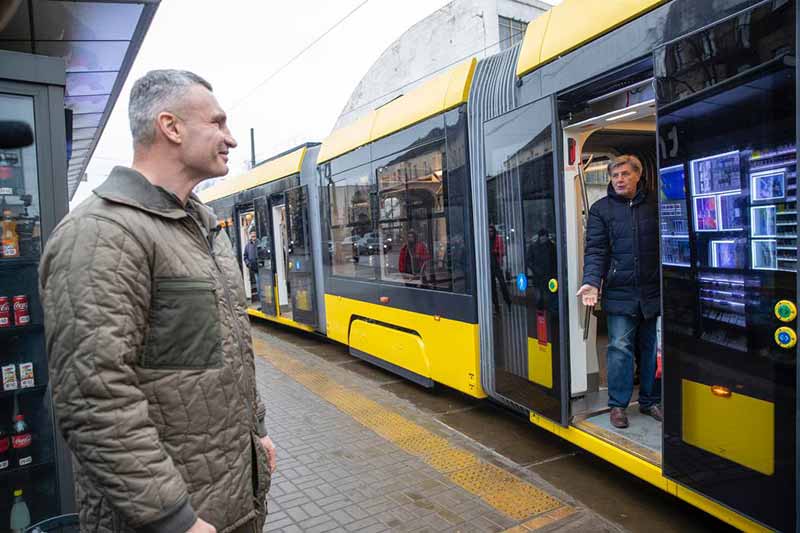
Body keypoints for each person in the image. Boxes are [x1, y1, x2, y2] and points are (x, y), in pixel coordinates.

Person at [39, 70, 275, 533]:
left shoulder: (202, 228)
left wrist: (258, 432)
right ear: (171, 127)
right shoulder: (101, 234)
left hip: (231, 502)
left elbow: (224, 353)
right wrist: (172, 517)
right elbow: (93, 397)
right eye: (218, 122)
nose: (230, 138)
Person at [577, 155, 662, 429]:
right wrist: (591, 281)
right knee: (619, 349)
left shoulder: (655, 205)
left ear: (638, 175)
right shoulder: (601, 210)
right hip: (620, 292)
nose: (620, 180)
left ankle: (650, 401)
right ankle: (618, 405)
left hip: (652, 291)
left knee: (650, 350)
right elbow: (596, 250)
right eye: (615, 176)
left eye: (625, 174)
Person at [489, 224, 511, 314]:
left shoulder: (498, 239)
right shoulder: (487, 240)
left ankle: (508, 302)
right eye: (489, 231)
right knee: (493, 288)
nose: (490, 233)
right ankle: (496, 306)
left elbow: (502, 251)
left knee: (502, 285)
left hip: (497, 265)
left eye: (491, 231)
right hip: (490, 266)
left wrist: (496, 252)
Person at [244, 230, 259, 301]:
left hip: (262, 268)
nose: (253, 237)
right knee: (258, 285)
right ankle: (261, 302)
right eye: (252, 236)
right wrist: (248, 264)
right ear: (250, 236)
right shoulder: (247, 246)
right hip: (254, 268)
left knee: (261, 285)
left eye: (254, 236)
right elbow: (245, 256)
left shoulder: (260, 243)